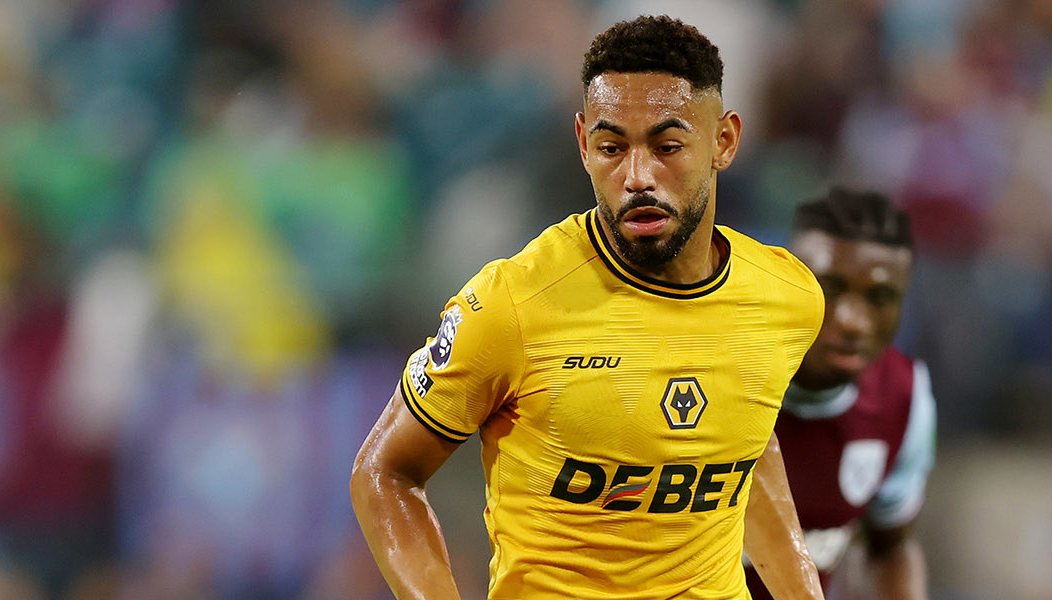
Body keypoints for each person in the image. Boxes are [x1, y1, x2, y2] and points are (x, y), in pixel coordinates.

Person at [350, 15, 827, 600]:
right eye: (611, 148)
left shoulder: (786, 297)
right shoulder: (514, 303)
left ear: (723, 142)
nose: (637, 177)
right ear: (582, 145)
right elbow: (384, 472)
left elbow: (746, 441)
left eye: (668, 146)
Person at [746, 189, 933, 600]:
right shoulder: (719, 372)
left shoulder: (904, 396)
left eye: (880, 298)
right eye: (829, 288)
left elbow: (889, 547)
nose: (852, 321)